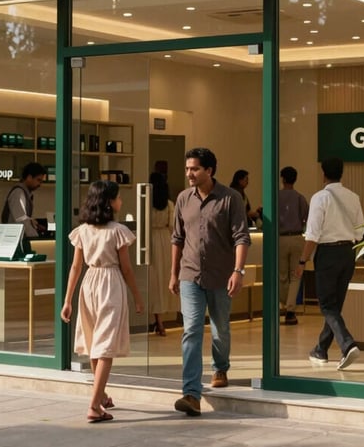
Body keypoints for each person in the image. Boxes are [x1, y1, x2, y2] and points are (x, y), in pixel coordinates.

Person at [170, 147, 251, 417]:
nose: (189, 174)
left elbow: (241, 237)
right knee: (191, 329)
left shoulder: (231, 198)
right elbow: (177, 239)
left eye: (194, 169)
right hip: (190, 274)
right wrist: (173, 273)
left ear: (209, 170)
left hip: (220, 275)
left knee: (220, 328)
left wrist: (238, 271)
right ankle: (191, 393)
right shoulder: (183, 199)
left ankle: (220, 367)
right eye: (187, 169)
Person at [60, 180, 144, 423]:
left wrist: (67, 300)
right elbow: (127, 269)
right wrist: (138, 297)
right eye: (118, 197)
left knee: (95, 341)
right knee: (105, 345)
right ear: (109, 202)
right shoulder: (117, 231)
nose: (121, 201)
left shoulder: (83, 230)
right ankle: (94, 406)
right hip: (110, 283)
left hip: (89, 283)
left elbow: (75, 267)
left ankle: (102, 394)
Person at [295, 156, 364, 371]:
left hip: (327, 254)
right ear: (341, 173)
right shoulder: (353, 197)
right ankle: (321, 349)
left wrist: (302, 260)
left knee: (326, 305)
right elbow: (360, 231)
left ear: (323, 173)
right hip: (348, 252)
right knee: (334, 305)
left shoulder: (320, 197)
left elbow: (313, 234)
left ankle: (347, 344)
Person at [276, 166, 309, 326]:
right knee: (295, 275)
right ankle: (290, 310)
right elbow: (306, 217)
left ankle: (283, 304)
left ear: (282, 179)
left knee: (281, 275)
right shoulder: (300, 198)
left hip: (280, 239)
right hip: (297, 238)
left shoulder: (275, 197)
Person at [148, 171, 177, 336]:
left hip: (150, 240)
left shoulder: (146, 203)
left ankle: (156, 319)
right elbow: (173, 227)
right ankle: (161, 320)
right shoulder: (169, 204)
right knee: (163, 278)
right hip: (165, 241)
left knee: (153, 280)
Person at [1, 162, 46, 254]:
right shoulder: (18, 193)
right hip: (14, 241)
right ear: (29, 177)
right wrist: (34, 237)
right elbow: (21, 218)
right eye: (38, 180)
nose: (40, 184)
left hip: (17, 239)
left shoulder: (25, 193)